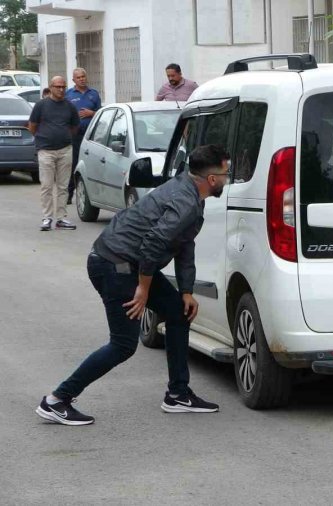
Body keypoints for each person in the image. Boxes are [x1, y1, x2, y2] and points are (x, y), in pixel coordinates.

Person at [35, 145, 230, 426]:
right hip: (115, 265)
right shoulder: (185, 201)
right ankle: (57, 400)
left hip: (126, 262)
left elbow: (184, 243)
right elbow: (153, 244)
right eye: (225, 172)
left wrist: (186, 291)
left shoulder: (188, 192)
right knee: (123, 344)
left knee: (178, 311)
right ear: (212, 179)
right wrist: (143, 288)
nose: (227, 178)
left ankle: (178, 394)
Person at [29, 76, 80, 231]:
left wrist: (62, 136)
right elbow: (32, 126)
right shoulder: (41, 105)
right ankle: (47, 218)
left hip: (65, 150)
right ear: (51, 87)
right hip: (46, 150)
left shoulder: (70, 106)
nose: (61, 89)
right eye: (58, 86)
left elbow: (74, 127)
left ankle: (61, 218)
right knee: (46, 186)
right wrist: (45, 137)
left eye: (63, 86)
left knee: (63, 186)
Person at [65, 68, 102, 204]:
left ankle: (91, 195)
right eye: (78, 77)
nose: (82, 79)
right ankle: (68, 194)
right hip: (74, 136)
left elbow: (101, 112)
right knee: (74, 164)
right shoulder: (68, 94)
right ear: (74, 79)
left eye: (83, 77)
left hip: (92, 136)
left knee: (90, 164)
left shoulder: (94, 94)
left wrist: (91, 113)